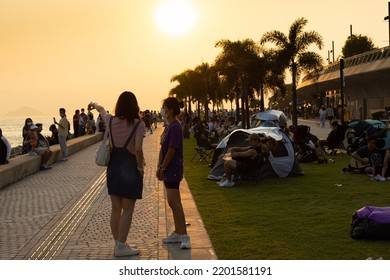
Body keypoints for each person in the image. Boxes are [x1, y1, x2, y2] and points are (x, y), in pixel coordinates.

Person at [88, 91, 145, 257]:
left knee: (115, 208)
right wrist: (140, 167)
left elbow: (102, 110)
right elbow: (139, 148)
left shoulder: (111, 120)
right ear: (135, 105)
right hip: (130, 167)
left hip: (113, 167)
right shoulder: (138, 124)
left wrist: (94, 104)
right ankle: (121, 245)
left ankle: (118, 243)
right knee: (127, 209)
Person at [156, 97, 191, 249]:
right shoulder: (168, 126)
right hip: (167, 169)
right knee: (173, 201)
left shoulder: (175, 127)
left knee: (174, 202)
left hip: (172, 170)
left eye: (164, 107)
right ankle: (178, 232)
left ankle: (184, 236)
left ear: (170, 110)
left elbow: (171, 150)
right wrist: (159, 166)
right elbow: (162, 148)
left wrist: (163, 168)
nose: (162, 109)